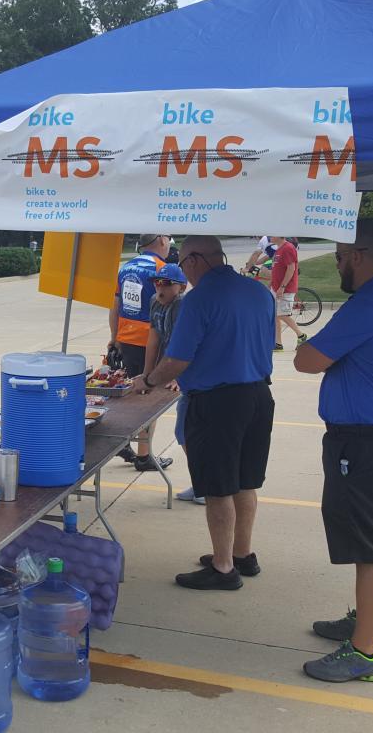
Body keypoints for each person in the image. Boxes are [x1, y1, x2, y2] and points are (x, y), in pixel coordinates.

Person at [294, 218, 373, 683]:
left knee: (370, 547)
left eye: (338, 258)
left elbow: (307, 360)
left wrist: (308, 344)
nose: (337, 266)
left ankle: (365, 652)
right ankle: (370, 623)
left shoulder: (371, 303)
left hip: (366, 442)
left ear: (358, 256)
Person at [131, 236, 274, 590]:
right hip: (258, 395)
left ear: (195, 260)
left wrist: (147, 380)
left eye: (183, 262)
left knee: (218, 488)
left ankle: (223, 568)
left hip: (217, 402)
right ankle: (242, 554)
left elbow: (178, 360)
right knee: (245, 481)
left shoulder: (199, 300)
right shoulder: (259, 292)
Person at [108, 233, 173, 471]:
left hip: (126, 338)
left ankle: (122, 442)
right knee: (147, 399)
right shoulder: (162, 269)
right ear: (162, 241)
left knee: (129, 396)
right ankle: (144, 456)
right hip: (150, 342)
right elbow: (170, 309)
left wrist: (114, 338)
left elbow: (115, 306)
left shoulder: (126, 268)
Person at [142, 264, 202, 505]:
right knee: (184, 432)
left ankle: (206, 486)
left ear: (182, 287)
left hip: (195, 376)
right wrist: (146, 374)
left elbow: (187, 345)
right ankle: (202, 484)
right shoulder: (154, 302)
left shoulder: (183, 305)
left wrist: (175, 376)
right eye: (157, 282)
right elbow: (153, 339)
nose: (160, 287)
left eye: (167, 283)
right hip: (179, 371)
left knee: (188, 431)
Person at [270, 235, 307, 351]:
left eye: (272, 234)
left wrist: (282, 287)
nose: (269, 236)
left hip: (285, 289)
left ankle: (301, 335)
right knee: (275, 315)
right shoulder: (279, 249)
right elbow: (276, 270)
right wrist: (272, 285)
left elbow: (291, 268)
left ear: (279, 235)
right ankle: (278, 343)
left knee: (282, 314)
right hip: (275, 288)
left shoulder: (288, 248)